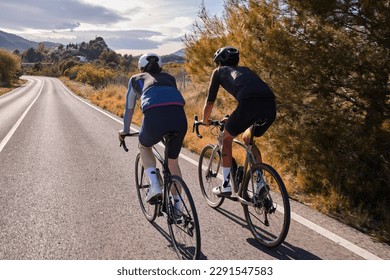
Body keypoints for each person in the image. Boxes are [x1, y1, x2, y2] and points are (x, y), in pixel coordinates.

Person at [201, 46, 276, 197]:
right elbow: (252, 94)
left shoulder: (219, 72)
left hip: (248, 105)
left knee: (225, 138)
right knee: (247, 138)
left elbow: (210, 102)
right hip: (270, 105)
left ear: (219, 62)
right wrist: (234, 119)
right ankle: (260, 182)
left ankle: (226, 185)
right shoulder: (245, 70)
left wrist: (205, 120)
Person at [119, 53, 187, 204]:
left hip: (154, 118)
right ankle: (178, 206)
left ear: (141, 67)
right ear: (160, 67)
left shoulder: (135, 79)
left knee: (144, 146)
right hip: (180, 118)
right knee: (172, 162)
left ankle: (154, 185)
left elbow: (129, 108)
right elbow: (169, 100)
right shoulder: (170, 78)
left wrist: (125, 130)